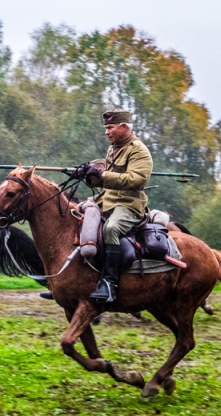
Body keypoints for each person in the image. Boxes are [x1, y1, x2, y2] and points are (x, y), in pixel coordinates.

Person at [73, 109, 153, 303]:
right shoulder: (113, 148)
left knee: (111, 229)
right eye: (105, 128)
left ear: (123, 127)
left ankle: (109, 284)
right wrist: (90, 176)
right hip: (107, 200)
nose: (106, 132)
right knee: (74, 216)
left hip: (129, 205)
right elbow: (108, 181)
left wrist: (102, 175)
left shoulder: (139, 151)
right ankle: (71, 282)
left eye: (110, 128)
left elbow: (136, 180)